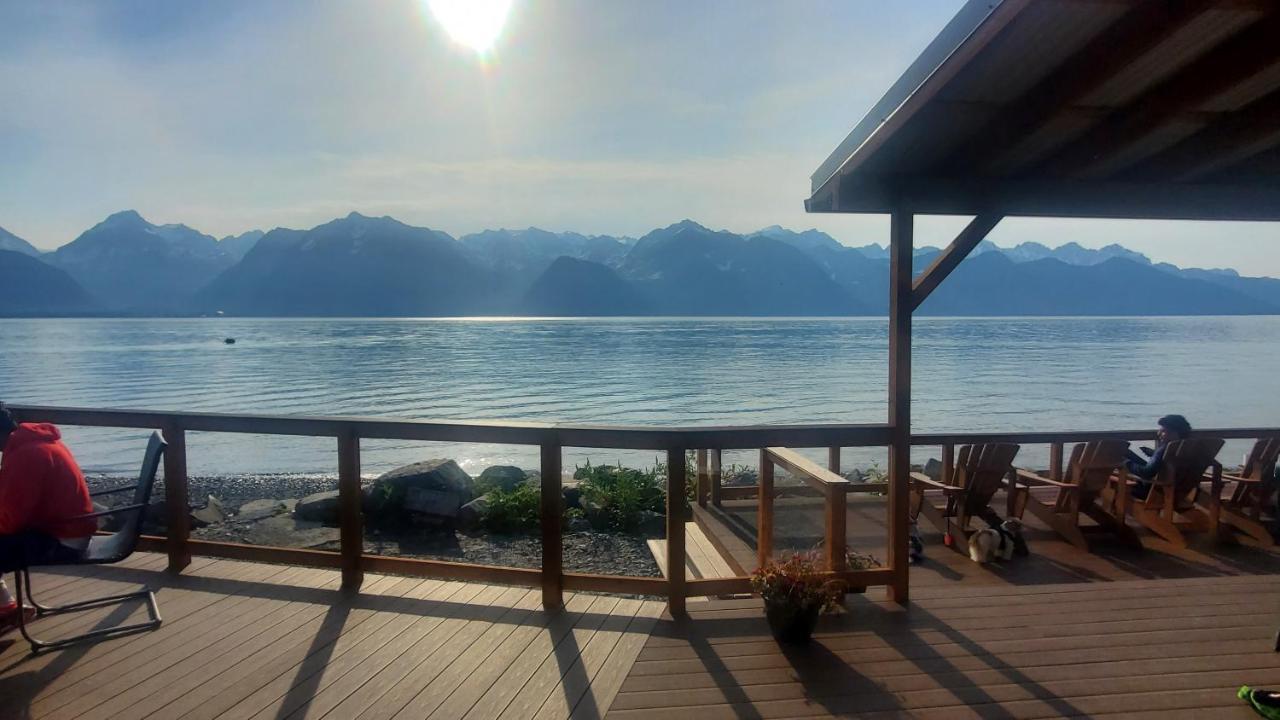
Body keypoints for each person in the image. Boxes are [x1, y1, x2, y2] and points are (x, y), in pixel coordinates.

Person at [0, 402, 96, 634]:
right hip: (63, 529)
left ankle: (6, 609)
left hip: (63, 540)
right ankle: (7, 609)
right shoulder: (31, 442)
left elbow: (11, 521)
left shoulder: (26, 455)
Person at [1124, 414, 1193, 500]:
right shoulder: (1187, 448)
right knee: (1128, 454)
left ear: (1175, 433)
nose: (1159, 433)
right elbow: (1165, 464)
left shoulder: (1165, 449)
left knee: (1117, 482)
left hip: (1153, 493)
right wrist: (1154, 454)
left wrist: (1127, 463)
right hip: (1178, 491)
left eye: (1163, 431)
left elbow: (1147, 473)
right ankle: (1125, 453)